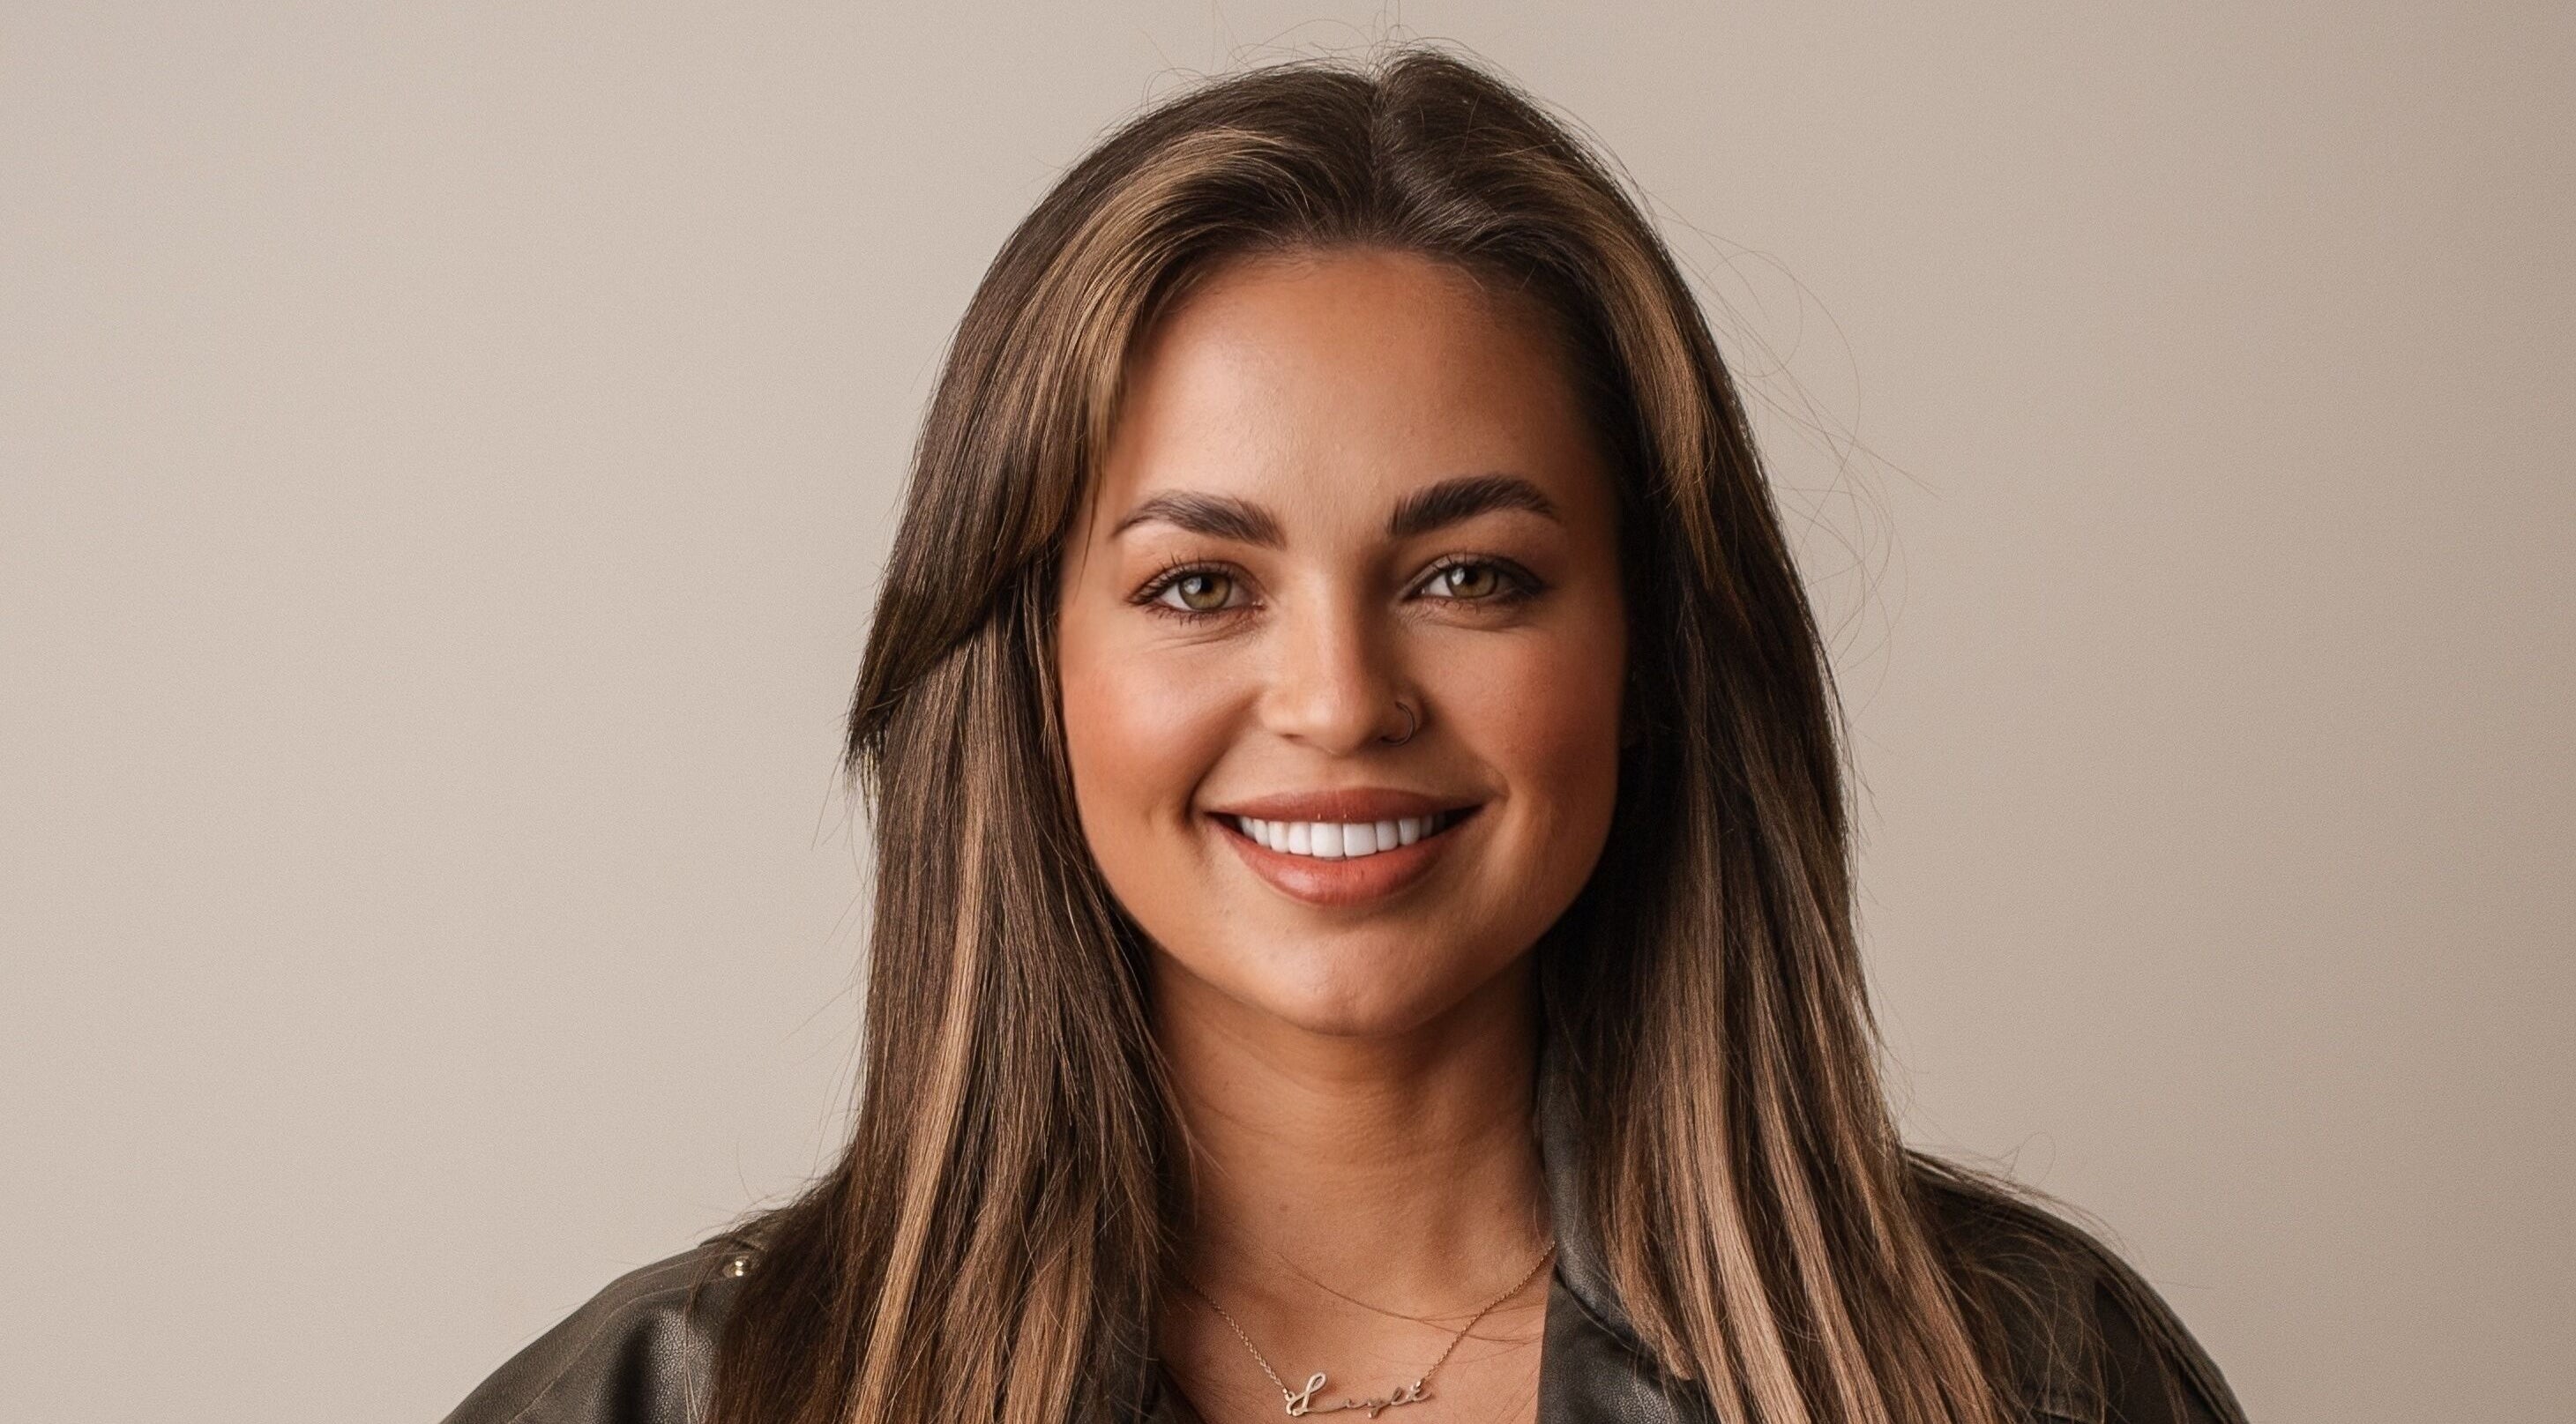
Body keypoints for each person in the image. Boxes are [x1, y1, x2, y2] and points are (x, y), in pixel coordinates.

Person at [440, 45, 2247, 1424]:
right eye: (1200, 585)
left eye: (1469, 574)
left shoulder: (2022, 1374)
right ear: (1028, 672)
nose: (1338, 700)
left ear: (1651, 656)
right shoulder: (670, 1400)